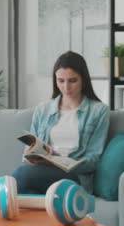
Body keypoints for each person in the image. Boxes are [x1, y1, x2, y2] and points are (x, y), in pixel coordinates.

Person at [11, 51, 109, 194]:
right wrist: (33, 157)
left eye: (72, 80)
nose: (66, 87)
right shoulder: (42, 110)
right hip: (43, 172)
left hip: (74, 177)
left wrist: (62, 162)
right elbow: (28, 149)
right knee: (24, 191)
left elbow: (93, 160)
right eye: (60, 81)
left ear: (83, 79)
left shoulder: (99, 112)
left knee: (21, 176)